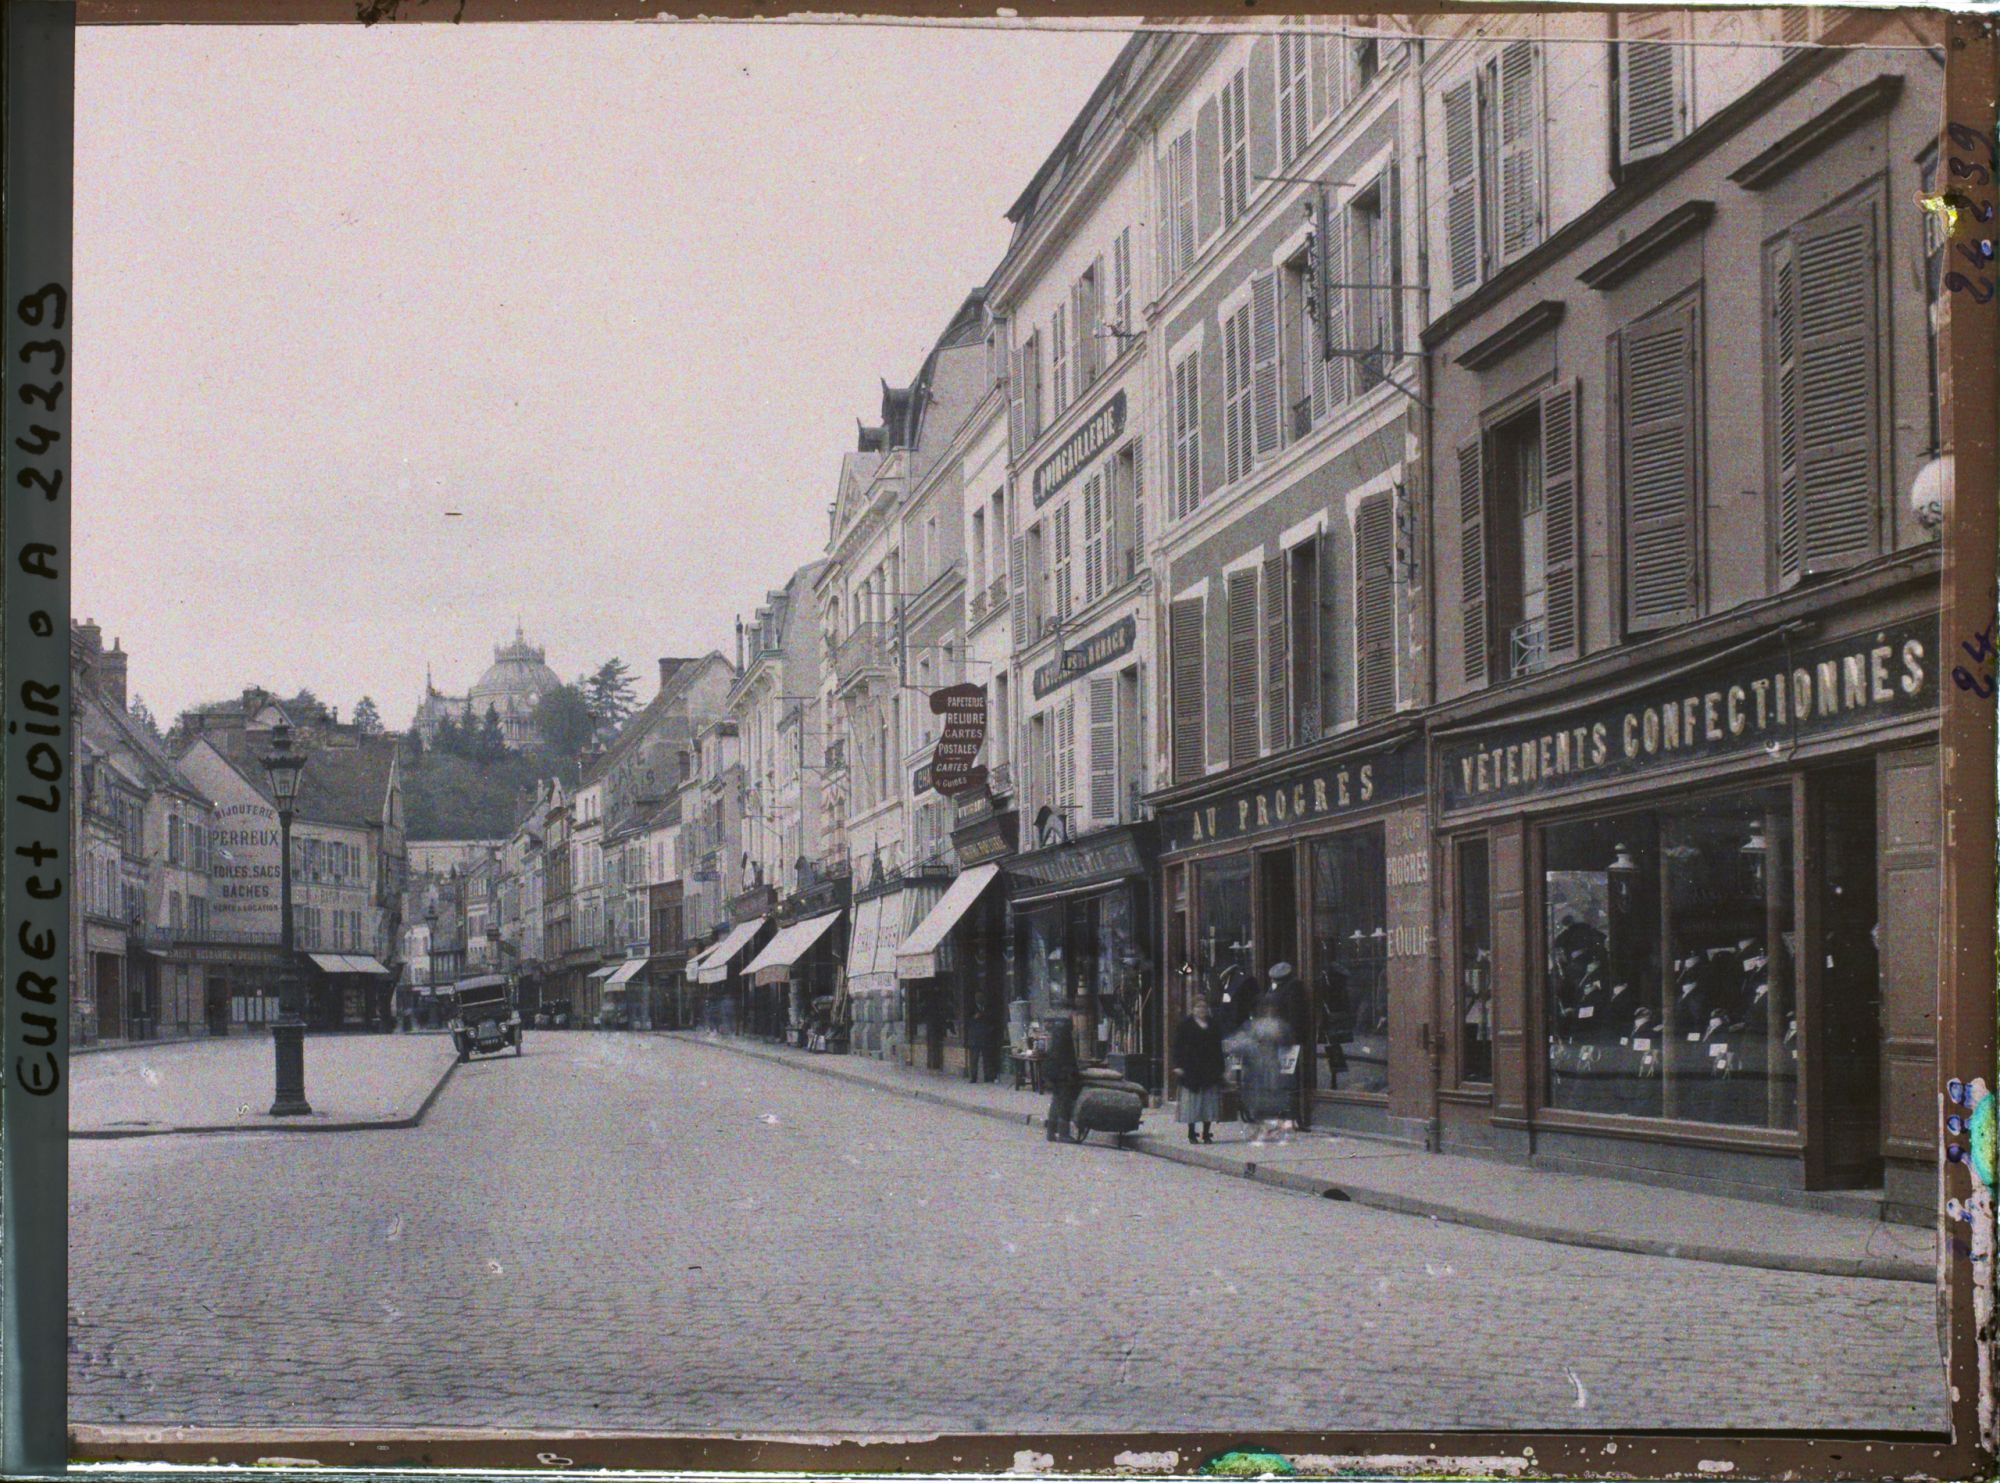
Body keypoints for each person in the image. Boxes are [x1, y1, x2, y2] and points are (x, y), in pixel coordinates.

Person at [1226, 993, 1299, 1145]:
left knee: (1272, 1097)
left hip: (1272, 1064)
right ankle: (1259, 1128)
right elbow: (1239, 1042)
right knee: (1256, 1098)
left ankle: (1269, 1129)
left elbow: (1288, 1042)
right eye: (1266, 1006)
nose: (1269, 1009)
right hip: (1255, 1066)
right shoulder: (1253, 1025)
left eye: (1272, 1007)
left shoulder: (1280, 1025)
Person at [1172, 993, 1225, 1144]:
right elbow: (1177, 1047)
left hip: (1209, 1068)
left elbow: (1218, 1048)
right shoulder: (1185, 1025)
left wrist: (1221, 1068)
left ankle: (1206, 1133)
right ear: (1193, 1009)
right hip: (1191, 1069)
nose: (1201, 1009)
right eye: (1198, 1007)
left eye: (1204, 1006)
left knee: (1208, 1103)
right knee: (1192, 1104)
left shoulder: (1213, 1024)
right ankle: (1191, 1133)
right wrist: (1178, 1065)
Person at [1044, 1014, 1081, 1142]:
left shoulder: (1056, 1033)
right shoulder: (1064, 1033)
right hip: (1062, 1073)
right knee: (1064, 1102)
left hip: (1054, 1071)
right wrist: (1071, 1072)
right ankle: (1063, 1133)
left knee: (1056, 1101)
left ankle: (1051, 1131)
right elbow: (1065, 1057)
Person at [966, 992, 995, 1084]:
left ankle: (988, 1076)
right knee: (974, 1059)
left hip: (985, 1037)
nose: (980, 999)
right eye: (978, 997)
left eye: (981, 997)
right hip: (974, 1038)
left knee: (987, 1058)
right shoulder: (971, 1008)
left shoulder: (986, 1007)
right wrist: (974, 1017)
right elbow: (966, 1021)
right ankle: (973, 1078)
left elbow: (990, 1019)